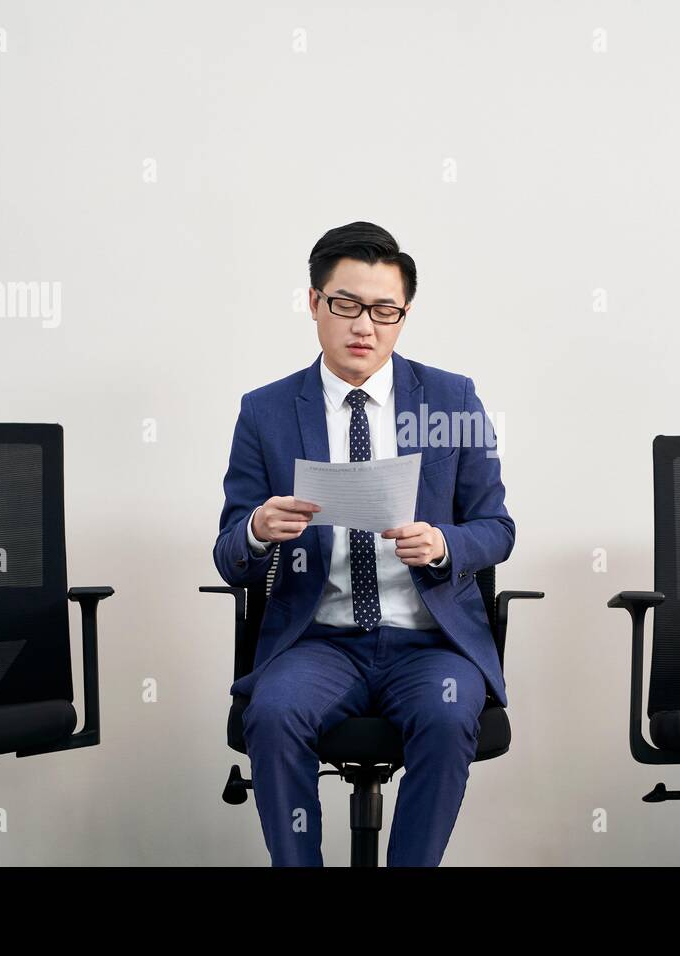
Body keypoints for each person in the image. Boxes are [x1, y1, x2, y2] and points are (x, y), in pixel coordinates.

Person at [213, 221, 515, 866]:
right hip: (318, 642)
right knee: (273, 713)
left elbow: (497, 529)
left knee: (446, 714)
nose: (364, 327)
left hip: (428, 644)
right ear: (315, 303)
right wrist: (258, 530)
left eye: (385, 311)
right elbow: (227, 548)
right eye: (346, 305)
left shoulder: (450, 397)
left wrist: (441, 545)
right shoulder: (265, 411)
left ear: (404, 314)